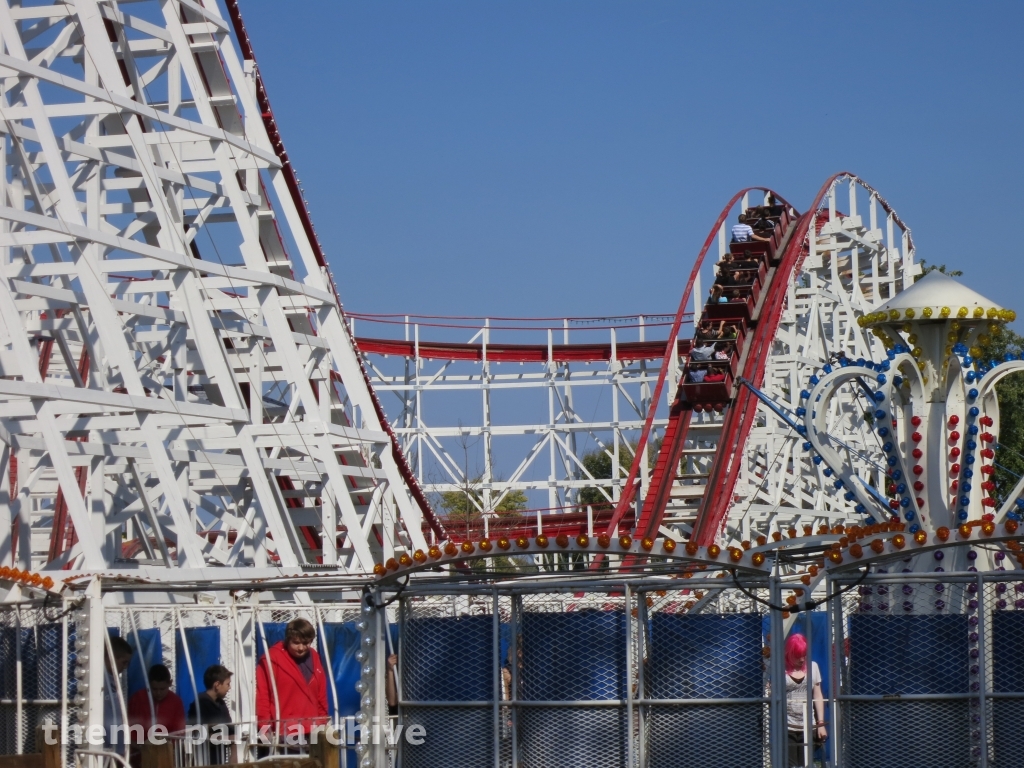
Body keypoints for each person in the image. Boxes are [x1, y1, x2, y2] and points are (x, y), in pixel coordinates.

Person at [255, 619, 328, 739]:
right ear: (287, 640)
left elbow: (321, 693)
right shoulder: (271, 658)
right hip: (284, 730)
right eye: (296, 643)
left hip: (312, 728)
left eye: (306, 643)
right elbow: (263, 696)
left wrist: (322, 722)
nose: (301, 648)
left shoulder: (314, 656)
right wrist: (264, 728)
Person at [785, 634, 826, 767]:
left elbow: (818, 695)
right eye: (798, 655)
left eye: (804, 654)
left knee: (806, 763)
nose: (802, 659)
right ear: (790, 653)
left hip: (808, 725)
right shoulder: (781, 668)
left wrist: (820, 724)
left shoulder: (812, 667)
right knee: (789, 764)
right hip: (787, 725)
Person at [188, 665, 234, 764]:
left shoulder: (221, 704)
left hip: (219, 759)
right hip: (203, 760)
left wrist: (234, 755)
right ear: (217, 685)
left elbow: (231, 730)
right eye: (227, 684)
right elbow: (198, 734)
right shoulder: (199, 705)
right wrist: (225, 738)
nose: (229, 688)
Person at [127, 664, 186, 735]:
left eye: (162, 689)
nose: (158, 693)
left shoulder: (176, 702)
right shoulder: (137, 698)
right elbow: (129, 726)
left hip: (167, 744)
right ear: (148, 684)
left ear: (170, 683)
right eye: (154, 689)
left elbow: (179, 730)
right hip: (139, 744)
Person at [104, 636, 134, 754]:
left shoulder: (112, 680)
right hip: (106, 750)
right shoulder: (100, 681)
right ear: (111, 658)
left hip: (115, 749)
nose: (125, 667)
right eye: (124, 662)